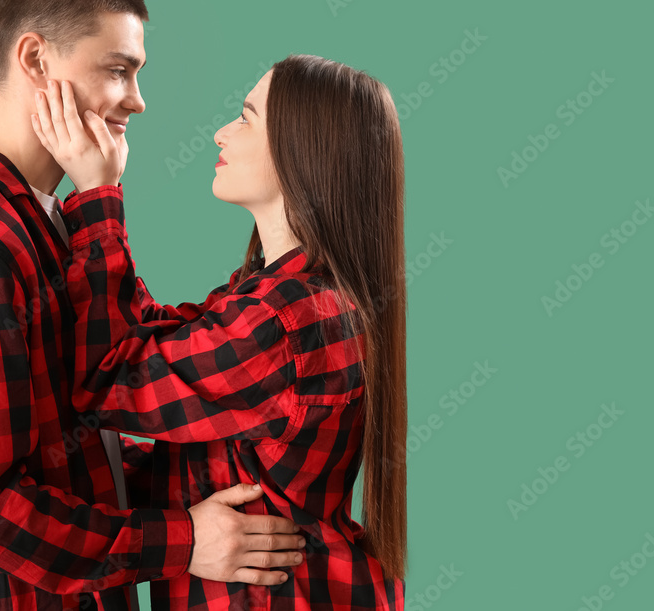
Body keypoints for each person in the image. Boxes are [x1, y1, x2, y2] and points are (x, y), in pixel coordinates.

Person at [0, 0, 303, 611]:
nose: (137, 98)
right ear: (36, 60)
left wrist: (205, 499)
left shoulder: (42, 225)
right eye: (118, 69)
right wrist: (182, 540)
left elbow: (65, 452)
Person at [31, 53, 408, 609]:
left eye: (246, 117)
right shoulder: (270, 294)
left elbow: (106, 375)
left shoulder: (287, 322)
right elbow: (149, 336)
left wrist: (96, 191)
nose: (221, 133)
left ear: (303, 151)